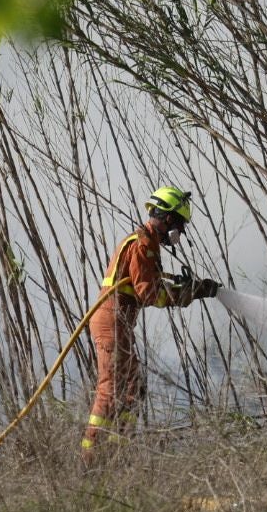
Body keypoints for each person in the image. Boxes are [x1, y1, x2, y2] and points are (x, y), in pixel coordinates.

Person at [81, 186, 219, 466]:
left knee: (134, 386)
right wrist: (188, 294)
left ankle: (117, 450)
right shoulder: (143, 244)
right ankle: (90, 459)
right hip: (112, 321)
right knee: (111, 386)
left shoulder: (145, 244)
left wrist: (188, 287)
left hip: (118, 321)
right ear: (167, 219)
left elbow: (147, 282)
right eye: (179, 224)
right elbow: (149, 293)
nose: (179, 231)